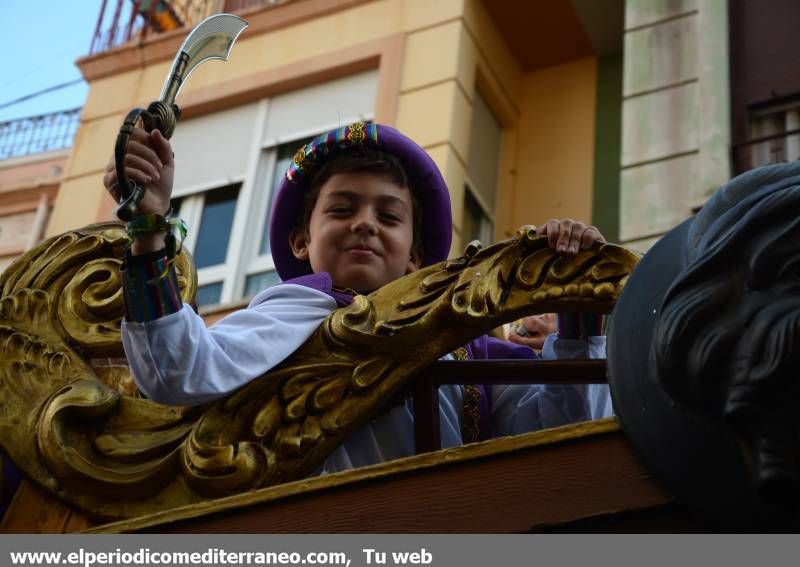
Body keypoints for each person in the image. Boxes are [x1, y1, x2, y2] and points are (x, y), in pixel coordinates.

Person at [103, 121, 611, 473]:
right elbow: (180, 370)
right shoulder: (292, 309)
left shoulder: (466, 341)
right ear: (302, 242)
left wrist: (576, 303)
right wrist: (148, 226)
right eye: (342, 209)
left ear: (415, 256)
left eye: (389, 216)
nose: (365, 223)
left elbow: (562, 430)